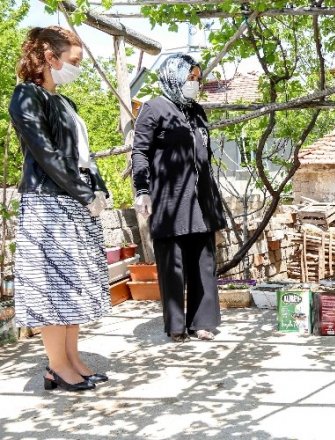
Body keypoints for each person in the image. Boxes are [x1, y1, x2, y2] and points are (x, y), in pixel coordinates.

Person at [9, 26, 111, 391]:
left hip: (74, 200)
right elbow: (45, 154)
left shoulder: (66, 103)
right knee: (53, 289)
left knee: (72, 289)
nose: (77, 67)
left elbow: (84, 155)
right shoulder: (26, 97)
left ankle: (72, 360)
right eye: (74, 60)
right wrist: (84, 193)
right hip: (49, 203)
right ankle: (56, 366)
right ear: (50, 57)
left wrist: (99, 189)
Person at [131, 54, 227, 342]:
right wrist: (142, 189)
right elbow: (140, 151)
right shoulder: (154, 108)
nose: (194, 83)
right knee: (172, 263)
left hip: (201, 199)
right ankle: (175, 326)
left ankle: (202, 322)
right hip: (170, 201)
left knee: (203, 261)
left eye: (197, 78)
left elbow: (204, 155)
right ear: (174, 77)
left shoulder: (196, 111)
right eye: (189, 78)